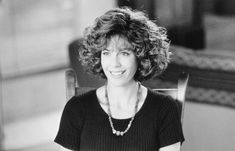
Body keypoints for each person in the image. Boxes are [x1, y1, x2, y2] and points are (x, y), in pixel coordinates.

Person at [54, 7, 184, 151]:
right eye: (107, 53)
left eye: (124, 53)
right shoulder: (76, 109)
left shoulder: (164, 108)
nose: (114, 63)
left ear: (141, 57)